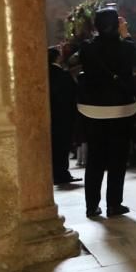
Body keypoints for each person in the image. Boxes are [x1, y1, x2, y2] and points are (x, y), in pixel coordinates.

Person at [73, 8, 136, 218]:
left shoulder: (86, 47)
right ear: (117, 24)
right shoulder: (126, 47)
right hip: (121, 109)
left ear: (96, 25)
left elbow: (74, 62)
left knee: (95, 159)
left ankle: (91, 206)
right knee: (117, 159)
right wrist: (126, 34)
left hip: (91, 109)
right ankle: (114, 204)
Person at [48, 46, 81, 186]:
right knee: (62, 146)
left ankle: (53, 174)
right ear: (58, 58)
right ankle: (62, 174)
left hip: (49, 116)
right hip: (64, 116)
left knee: (53, 146)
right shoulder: (63, 75)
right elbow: (73, 94)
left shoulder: (43, 73)